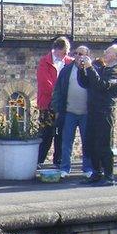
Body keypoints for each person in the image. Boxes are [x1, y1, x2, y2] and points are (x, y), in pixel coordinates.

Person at [80, 44, 117, 186]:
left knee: (104, 143)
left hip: (105, 110)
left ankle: (109, 176)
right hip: (93, 109)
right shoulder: (102, 68)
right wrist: (82, 70)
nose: (105, 52)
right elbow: (86, 83)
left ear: (116, 56)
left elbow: (102, 85)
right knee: (91, 142)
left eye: (109, 51)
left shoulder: (115, 71)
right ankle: (96, 172)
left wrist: (90, 68)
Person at [52, 45, 93, 177]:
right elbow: (58, 90)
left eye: (82, 54)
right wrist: (57, 108)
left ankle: (87, 168)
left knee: (87, 141)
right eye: (76, 53)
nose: (79, 56)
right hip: (69, 111)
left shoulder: (92, 71)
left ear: (87, 56)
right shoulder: (66, 70)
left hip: (86, 113)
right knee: (66, 141)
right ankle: (65, 168)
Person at [36, 36, 73, 168]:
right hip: (47, 104)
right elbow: (45, 84)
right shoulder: (44, 62)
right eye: (64, 52)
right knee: (46, 132)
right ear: (57, 50)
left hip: (64, 104)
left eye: (67, 52)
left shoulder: (69, 62)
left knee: (61, 133)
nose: (66, 54)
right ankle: (39, 160)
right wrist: (58, 96)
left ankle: (58, 160)